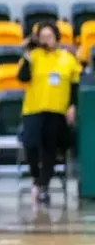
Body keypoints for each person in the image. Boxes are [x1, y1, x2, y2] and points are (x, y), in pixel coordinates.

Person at [18, 22, 82, 204]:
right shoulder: (34, 56)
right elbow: (23, 77)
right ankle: (37, 179)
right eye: (43, 37)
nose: (46, 40)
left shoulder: (68, 58)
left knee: (50, 148)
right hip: (33, 109)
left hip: (57, 111)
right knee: (30, 145)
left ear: (56, 37)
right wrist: (27, 55)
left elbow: (75, 85)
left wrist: (72, 105)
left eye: (49, 36)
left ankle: (43, 187)